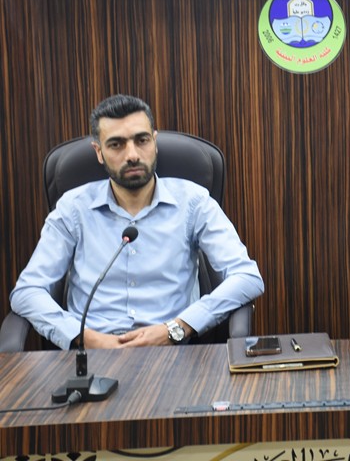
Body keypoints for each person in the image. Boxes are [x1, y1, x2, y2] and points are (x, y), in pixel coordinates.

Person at [10, 94, 265, 349]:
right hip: (90, 356)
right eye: (116, 145)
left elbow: (246, 276)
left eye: (141, 140)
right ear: (99, 152)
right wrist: (87, 338)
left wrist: (175, 328)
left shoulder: (193, 202)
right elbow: (27, 292)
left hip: (171, 353)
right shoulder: (73, 208)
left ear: (154, 142)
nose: (132, 155)